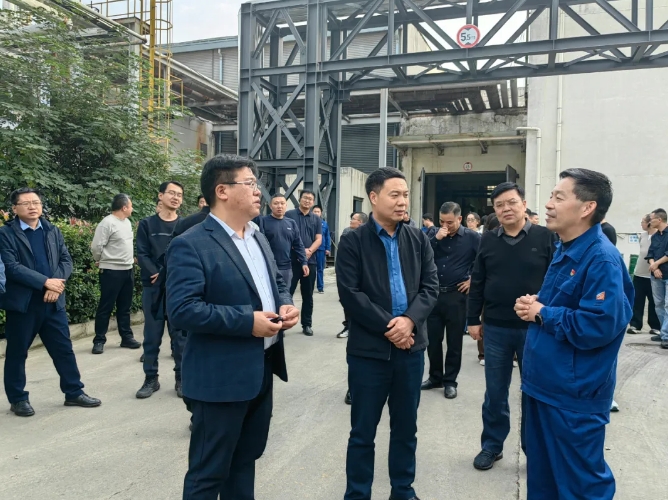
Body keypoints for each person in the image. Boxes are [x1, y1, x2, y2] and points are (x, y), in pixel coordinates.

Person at [166, 153, 299, 500]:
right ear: (222, 191)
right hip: (219, 380)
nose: (259, 191)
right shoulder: (191, 243)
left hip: (260, 371)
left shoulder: (257, 236)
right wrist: (247, 321)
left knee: (244, 462)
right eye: (250, 183)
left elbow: (276, 283)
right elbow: (182, 310)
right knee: (208, 474)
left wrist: (285, 303)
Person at [514, 168, 633, 499]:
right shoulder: (566, 248)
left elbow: (599, 325)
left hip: (573, 397)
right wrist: (538, 304)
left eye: (559, 197)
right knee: (544, 479)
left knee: (581, 486)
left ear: (587, 208)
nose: (548, 204)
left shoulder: (601, 259)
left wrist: (544, 313)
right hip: (544, 386)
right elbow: (565, 303)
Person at [336, 167, 438, 500]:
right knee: (362, 431)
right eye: (395, 195)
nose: (402, 201)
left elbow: (430, 287)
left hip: (411, 351)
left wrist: (409, 322)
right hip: (368, 353)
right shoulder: (353, 241)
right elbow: (351, 294)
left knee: (406, 428)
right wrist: (391, 327)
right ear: (374, 197)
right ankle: (357, 494)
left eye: (405, 195)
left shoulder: (418, 239)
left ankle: (403, 490)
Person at [467, 182, 555, 471]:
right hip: (495, 329)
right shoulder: (488, 240)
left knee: (534, 392)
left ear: (524, 204)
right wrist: (472, 319)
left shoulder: (546, 237)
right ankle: (492, 446)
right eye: (499, 205)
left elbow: (555, 282)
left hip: (534, 329)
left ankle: (534, 451)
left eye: (511, 202)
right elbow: (478, 281)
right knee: (495, 392)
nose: (506, 209)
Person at [0, 188, 101, 417]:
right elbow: (11, 267)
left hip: (53, 302)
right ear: (14, 208)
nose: (32, 206)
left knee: (63, 349)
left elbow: (66, 260)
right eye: (26, 203)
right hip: (23, 305)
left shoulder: (52, 230)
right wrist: (45, 282)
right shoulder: (5, 234)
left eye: (36, 202)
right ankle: (18, 399)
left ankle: (74, 392)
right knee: (17, 353)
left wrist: (56, 286)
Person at [422, 202, 480, 400]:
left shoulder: (472, 237)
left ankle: (450, 381)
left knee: (454, 341)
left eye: (450, 222)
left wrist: (473, 280)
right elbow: (420, 255)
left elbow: (484, 261)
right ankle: (435, 377)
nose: (445, 226)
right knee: (433, 340)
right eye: (442, 221)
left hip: (457, 296)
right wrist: (435, 240)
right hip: (434, 295)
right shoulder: (433, 235)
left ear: (459, 219)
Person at [135, 181, 185, 399]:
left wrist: (168, 274)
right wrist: (157, 273)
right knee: (151, 336)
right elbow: (142, 253)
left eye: (179, 195)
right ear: (160, 196)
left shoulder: (185, 225)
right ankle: (150, 379)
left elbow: (186, 255)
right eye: (172, 193)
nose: (176, 197)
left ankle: (181, 379)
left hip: (177, 288)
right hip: (153, 287)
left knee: (180, 337)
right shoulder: (147, 224)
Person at [90, 194, 140, 354]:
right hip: (111, 271)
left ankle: (126, 337)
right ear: (124, 207)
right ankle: (99, 340)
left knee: (125, 307)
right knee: (106, 306)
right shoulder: (107, 223)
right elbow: (96, 247)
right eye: (130, 206)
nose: (132, 209)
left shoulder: (127, 222)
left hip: (128, 269)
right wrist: (101, 260)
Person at [285, 191, 322, 336]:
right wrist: (300, 250)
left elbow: (318, 239)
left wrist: (309, 250)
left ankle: (307, 324)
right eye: (305, 198)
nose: (307, 201)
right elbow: (286, 235)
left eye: (310, 199)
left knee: (308, 295)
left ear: (313, 202)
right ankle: (283, 324)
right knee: (287, 293)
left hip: (310, 261)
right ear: (300, 199)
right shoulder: (289, 215)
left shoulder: (316, 218)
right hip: (292, 261)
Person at [256, 193, 308, 287]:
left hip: (286, 268)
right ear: (270, 206)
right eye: (276, 203)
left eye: (282, 203)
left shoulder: (291, 223)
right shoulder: (263, 221)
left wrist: (304, 262)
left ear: (286, 205)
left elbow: (298, 244)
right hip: (268, 266)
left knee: (285, 293)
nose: (279, 206)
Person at [628, 214, 660, 335]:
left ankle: (655, 326)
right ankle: (635, 325)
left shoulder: (659, 236)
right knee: (637, 300)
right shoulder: (642, 235)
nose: (641, 224)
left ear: (649, 223)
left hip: (653, 275)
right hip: (639, 274)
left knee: (654, 302)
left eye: (643, 222)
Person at [338, 212, 369, 341]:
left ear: (360, 222)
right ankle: (348, 326)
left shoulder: (368, 235)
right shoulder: (347, 233)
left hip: (364, 274)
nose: (351, 221)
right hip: (348, 272)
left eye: (353, 219)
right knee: (347, 300)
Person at [647, 208, 668, 349]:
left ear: (659, 220)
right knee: (659, 304)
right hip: (656, 275)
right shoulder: (654, 236)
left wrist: (656, 264)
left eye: (651, 219)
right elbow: (650, 254)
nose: (650, 221)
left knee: (667, 305)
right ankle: (663, 332)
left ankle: (666, 336)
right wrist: (654, 267)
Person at [312, 205, 331, 294]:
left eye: (318, 212)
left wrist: (328, 248)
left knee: (320, 268)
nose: (316, 213)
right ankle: (309, 286)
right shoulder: (309, 222)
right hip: (311, 248)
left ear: (321, 213)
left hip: (321, 248)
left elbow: (327, 237)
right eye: (314, 211)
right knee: (310, 268)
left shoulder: (324, 224)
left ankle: (320, 287)